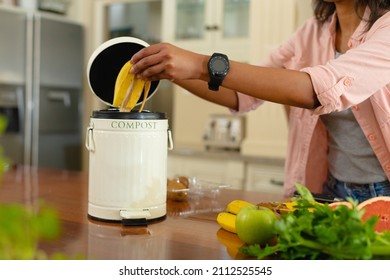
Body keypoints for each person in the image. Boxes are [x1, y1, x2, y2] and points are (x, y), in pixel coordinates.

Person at [129, 0, 390, 203]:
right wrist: (166, 68)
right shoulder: (312, 32)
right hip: (329, 188)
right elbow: (241, 93)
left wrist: (200, 64)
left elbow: (315, 88)